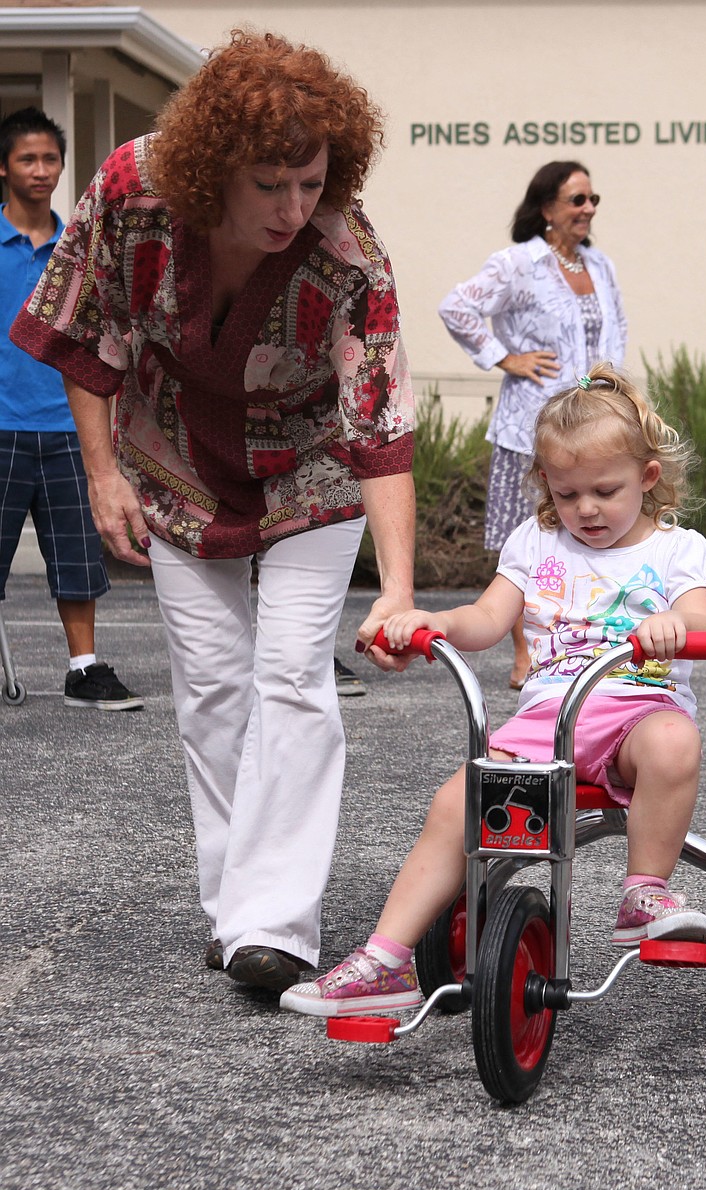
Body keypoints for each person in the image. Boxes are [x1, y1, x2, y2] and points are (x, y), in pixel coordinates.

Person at [12, 31, 416, 994]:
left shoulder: (349, 257)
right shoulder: (132, 189)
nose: (293, 207)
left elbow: (382, 427)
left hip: (312, 471)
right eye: (269, 182)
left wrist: (398, 586)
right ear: (211, 167)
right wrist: (104, 475)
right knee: (212, 689)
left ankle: (274, 925)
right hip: (178, 461)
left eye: (311, 182)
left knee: (290, 678)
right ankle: (235, 902)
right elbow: (88, 330)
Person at [281, 363, 706, 1018]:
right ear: (546, 483)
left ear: (647, 478)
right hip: (549, 719)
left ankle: (643, 892)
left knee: (674, 740)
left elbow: (704, 627)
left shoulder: (676, 549)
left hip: (635, 712)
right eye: (568, 494)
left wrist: (673, 626)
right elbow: (487, 619)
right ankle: (384, 960)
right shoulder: (535, 543)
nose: (586, 509)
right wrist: (436, 622)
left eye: (606, 490)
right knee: (457, 803)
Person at [439, 161, 627, 692]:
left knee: (590, 536)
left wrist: (616, 393)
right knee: (532, 541)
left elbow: (619, 329)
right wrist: (506, 357)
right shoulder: (518, 263)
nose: (588, 209)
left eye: (593, 200)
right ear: (547, 208)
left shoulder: (601, 265)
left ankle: (580, 652)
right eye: (577, 200)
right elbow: (457, 308)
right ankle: (525, 653)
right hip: (532, 428)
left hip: (594, 426)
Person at [0, 108, 142, 710]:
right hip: (2, 427)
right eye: (27, 159)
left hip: (69, 429)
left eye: (50, 159)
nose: (40, 170)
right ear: (3, 167)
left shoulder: (81, 247)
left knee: (78, 556)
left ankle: (84, 669)